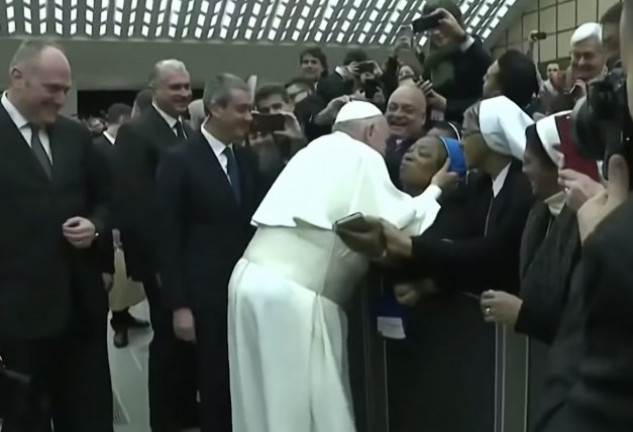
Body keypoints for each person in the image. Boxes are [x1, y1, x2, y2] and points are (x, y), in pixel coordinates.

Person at [227, 100, 457, 432]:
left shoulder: (311, 151)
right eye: (384, 139)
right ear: (371, 130)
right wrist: (435, 189)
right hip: (292, 294)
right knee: (300, 404)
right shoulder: (361, 155)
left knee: (260, 400)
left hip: (249, 279)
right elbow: (397, 223)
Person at [377, 96, 535, 431]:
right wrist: (428, 281)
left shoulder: (522, 186)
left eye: (467, 133)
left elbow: (494, 255)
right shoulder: (479, 184)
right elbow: (455, 241)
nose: (462, 143)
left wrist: (411, 247)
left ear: (491, 138)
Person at [0, 39, 113, 431]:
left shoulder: (75, 137)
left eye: (66, 89)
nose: (62, 99)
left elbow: (108, 198)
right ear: (17, 78)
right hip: (16, 321)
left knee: (88, 417)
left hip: (80, 311)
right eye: (53, 89)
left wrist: (95, 225)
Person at [157, 74, 263, 432]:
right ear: (216, 108)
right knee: (214, 384)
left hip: (244, 292)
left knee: (244, 380)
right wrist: (179, 305)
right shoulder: (179, 161)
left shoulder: (247, 160)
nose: (250, 117)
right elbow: (167, 238)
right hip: (204, 297)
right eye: (243, 109)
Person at [113, 59, 197, 432]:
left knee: (183, 343)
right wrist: (159, 265)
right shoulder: (138, 133)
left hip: (185, 255)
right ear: (155, 90)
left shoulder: (185, 130)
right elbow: (136, 205)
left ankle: (182, 410)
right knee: (166, 341)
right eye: (174, 87)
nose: (182, 93)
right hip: (161, 260)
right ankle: (165, 420)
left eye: (186, 86)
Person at [93, 102, 149, 349]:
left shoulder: (130, 147)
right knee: (116, 279)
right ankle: (118, 325)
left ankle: (126, 314)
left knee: (129, 278)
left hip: (131, 221)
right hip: (109, 223)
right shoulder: (97, 148)